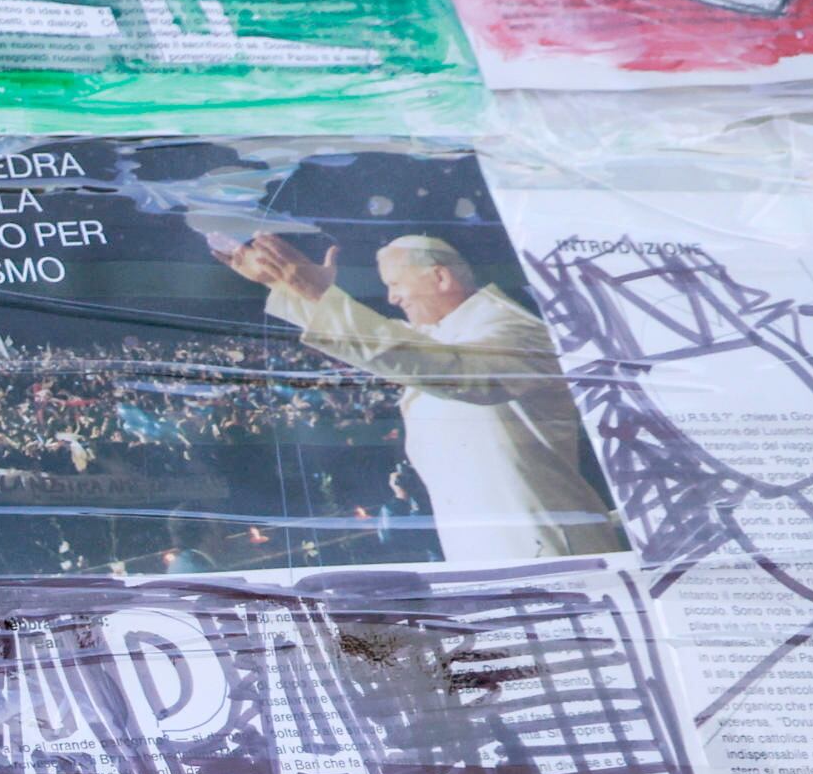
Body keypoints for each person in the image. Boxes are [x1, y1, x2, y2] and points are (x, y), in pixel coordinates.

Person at [215, 231, 621, 562]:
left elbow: (448, 369)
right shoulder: (445, 332)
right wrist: (288, 286)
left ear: (440, 278)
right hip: (488, 549)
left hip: (545, 549)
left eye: (394, 284)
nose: (392, 298)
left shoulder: (512, 328)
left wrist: (323, 298)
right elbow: (397, 344)